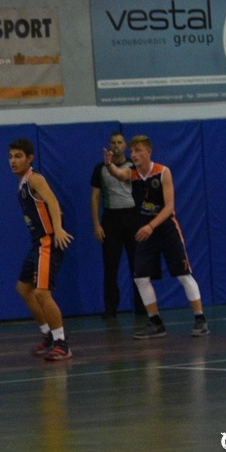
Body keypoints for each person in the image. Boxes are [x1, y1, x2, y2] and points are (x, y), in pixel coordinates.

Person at [104, 135, 209, 339]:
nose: (134, 155)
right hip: (146, 232)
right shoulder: (132, 174)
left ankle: (200, 318)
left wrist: (151, 225)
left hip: (166, 229)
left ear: (148, 152)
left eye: (138, 151)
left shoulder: (162, 172)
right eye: (132, 151)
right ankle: (155, 322)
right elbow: (118, 174)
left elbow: (169, 208)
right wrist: (109, 165)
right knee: (140, 278)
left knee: (183, 274)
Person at [8, 138, 74, 361]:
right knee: (23, 288)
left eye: (18, 156)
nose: (13, 161)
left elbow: (53, 202)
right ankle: (48, 335)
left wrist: (58, 229)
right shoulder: (22, 183)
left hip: (48, 242)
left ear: (30, 158)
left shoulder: (35, 179)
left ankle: (62, 344)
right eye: (11, 157)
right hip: (37, 243)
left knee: (41, 293)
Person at [90, 131, 146, 318]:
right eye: (113, 142)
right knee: (110, 266)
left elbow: (140, 192)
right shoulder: (100, 168)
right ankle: (110, 308)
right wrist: (96, 224)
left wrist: (144, 222)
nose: (116, 145)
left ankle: (141, 306)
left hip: (132, 218)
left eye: (120, 142)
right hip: (111, 219)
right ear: (109, 145)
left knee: (137, 265)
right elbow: (95, 197)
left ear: (125, 146)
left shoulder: (133, 167)